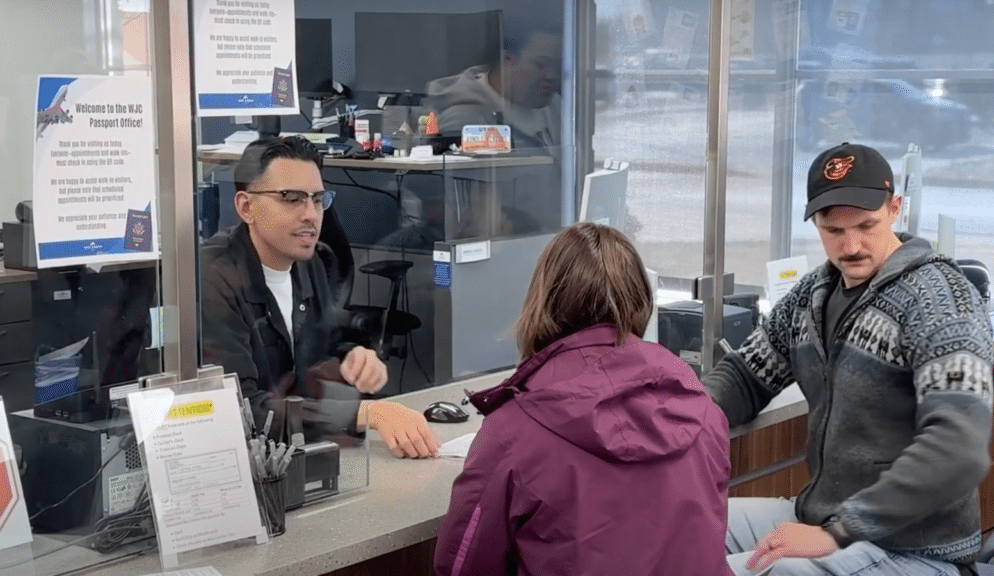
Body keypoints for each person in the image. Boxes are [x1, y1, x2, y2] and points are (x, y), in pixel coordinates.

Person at [705, 142, 994, 576]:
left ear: (895, 207)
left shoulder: (941, 299)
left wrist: (836, 532)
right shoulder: (812, 295)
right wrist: (675, 420)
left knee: (734, 572)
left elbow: (959, 449)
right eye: (833, 231)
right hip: (824, 518)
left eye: (866, 225)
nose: (851, 246)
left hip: (916, 550)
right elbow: (744, 376)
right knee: (677, 522)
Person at [434, 222, 732, 576]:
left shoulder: (512, 430)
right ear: (641, 299)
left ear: (542, 302)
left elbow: (460, 566)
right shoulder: (704, 414)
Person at [201, 135, 439, 459]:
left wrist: (351, 359)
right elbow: (241, 412)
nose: (311, 214)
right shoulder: (214, 281)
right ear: (246, 207)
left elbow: (314, 355)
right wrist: (365, 414)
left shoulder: (310, 263)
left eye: (317, 199)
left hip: (295, 458)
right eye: (292, 198)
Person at [425, 17, 563, 234]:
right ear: (508, 59)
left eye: (557, 65)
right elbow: (445, 207)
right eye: (540, 64)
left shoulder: (556, 108)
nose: (552, 76)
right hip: (505, 248)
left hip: (554, 242)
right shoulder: (464, 118)